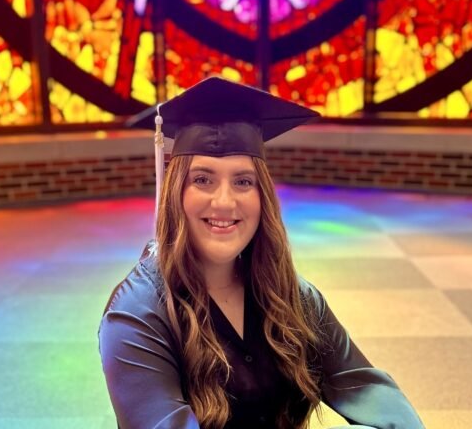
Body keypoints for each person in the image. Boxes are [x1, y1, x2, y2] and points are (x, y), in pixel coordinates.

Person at [99, 77, 424, 429]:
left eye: (243, 181)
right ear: (176, 192)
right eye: (203, 180)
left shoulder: (292, 296)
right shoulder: (137, 314)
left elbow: (368, 388)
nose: (224, 202)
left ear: (262, 197)